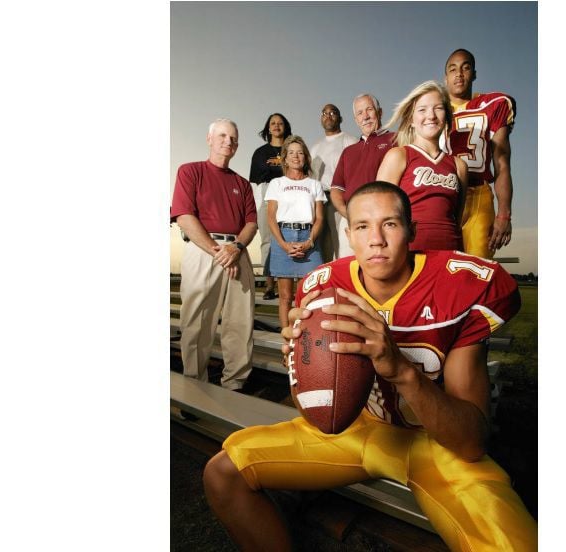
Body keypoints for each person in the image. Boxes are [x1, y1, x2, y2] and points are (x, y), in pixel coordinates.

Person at [202, 182, 537, 552]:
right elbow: (315, 414)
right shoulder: (325, 285)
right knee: (222, 473)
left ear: (411, 230)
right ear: (349, 235)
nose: (376, 239)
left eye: (390, 224)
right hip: (355, 429)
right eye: (362, 226)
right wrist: (303, 364)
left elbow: (470, 442)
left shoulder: (458, 285)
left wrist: (401, 369)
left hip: (434, 442)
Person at [169, 118, 258, 391]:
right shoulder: (190, 171)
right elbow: (184, 216)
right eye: (221, 136)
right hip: (203, 251)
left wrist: (236, 249)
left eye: (233, 138)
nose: (227, 141)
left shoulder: (242, 184)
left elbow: (251, 223)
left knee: (240, 323)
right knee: (197, 323)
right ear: (209, 139)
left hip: (237, 252)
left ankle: (235, 384)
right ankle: (194, 386)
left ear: (238, 145)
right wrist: (219, 252)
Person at [376, 80, 467, 252]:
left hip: (451, 252)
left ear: (447, 116)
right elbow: (379, 213)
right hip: (409, 254)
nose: (431, 116)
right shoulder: (399, 156)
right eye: (422, 109)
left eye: (438, 108)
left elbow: (458, 219)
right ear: (411, 119)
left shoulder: (459, 165)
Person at [444, 48, 516, 259]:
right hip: (443, 195)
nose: (459, 74)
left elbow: (502, 163)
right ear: (445, 77)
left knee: (477, 271)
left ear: (474, 74)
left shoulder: (493, 105)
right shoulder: (431, 108)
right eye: (453, 69)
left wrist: (504, 214)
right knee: (440, 270)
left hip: (478, 197)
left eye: (465, 68)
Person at [263, 135, 325, 330]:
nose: (295, 156)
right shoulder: (276, 184)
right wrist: (284, 245)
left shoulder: (314, 185)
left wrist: (309, 242)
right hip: (284, 237)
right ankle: (287, 341)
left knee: (310, 295)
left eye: (300, 153)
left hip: (309, 239)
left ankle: (305, 340)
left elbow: (320, 218)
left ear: (306, 157)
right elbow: (271, 217)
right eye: (291, 153)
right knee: (285, 297)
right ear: (284, 158)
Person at [329, 93, 396, 259]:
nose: (365, 116)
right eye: (360, 113)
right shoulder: (348, 152)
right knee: (348, 268)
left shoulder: (396, 140)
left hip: (383, 219)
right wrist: (349, 214)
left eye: (369, 110)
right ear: (355, 119)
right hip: (351, 220)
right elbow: (336, 191)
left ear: (379, 112)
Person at [249, 113, 292, 301]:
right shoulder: (260, 152)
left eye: (280, 123)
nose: (276, 126)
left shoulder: (293, 149)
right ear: (268, 128)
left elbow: (299, 170)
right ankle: (269, 285)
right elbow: (258, 180)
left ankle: (293, 283)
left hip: (291, 195)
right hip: (268, 196)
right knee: (268, 241)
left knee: (291, 237)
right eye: (273, 123)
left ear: (285, 127)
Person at [308, 103, 358, 262]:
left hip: (341, 199)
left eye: (332, 112)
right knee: (322, 248)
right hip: (320, 202)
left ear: (340, 118)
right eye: (324, 113)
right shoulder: (315, 147)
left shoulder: (351, 141)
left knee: (343, 246)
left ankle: (345, 282)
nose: (328, 116)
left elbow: (357, 173)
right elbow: (310, 177)